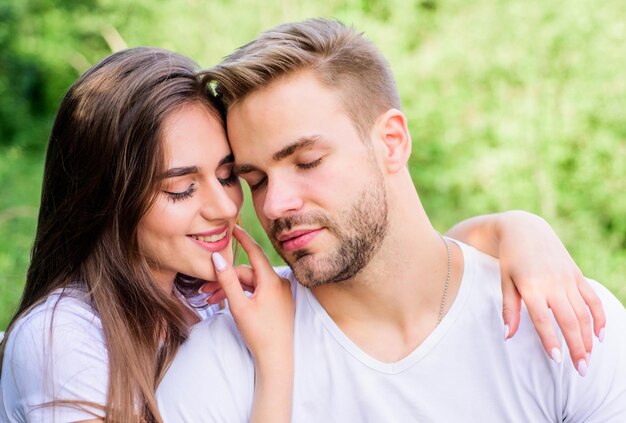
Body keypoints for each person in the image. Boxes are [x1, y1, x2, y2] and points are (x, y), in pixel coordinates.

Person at [156, 19, 626, 421]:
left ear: (392, 143)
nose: (274, 204)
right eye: (255, 180)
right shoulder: (224, 357)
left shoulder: (563, 320)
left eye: (307, 161)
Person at [0, 47, 294, 423]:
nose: (224, 207)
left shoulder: (216, 302)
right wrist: (275, 359)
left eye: (226, 176)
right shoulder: (60, 337)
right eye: (181, 188)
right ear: (107, 200)